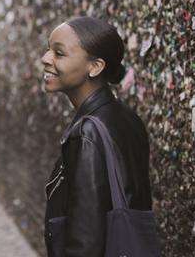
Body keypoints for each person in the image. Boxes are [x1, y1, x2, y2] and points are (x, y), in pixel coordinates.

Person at [40, 17, 154, 257]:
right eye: (48, 49)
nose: (45, 59)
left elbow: (86, 242)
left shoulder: (87, 134)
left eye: (59, 53)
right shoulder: (125, 115)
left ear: (95, 67)